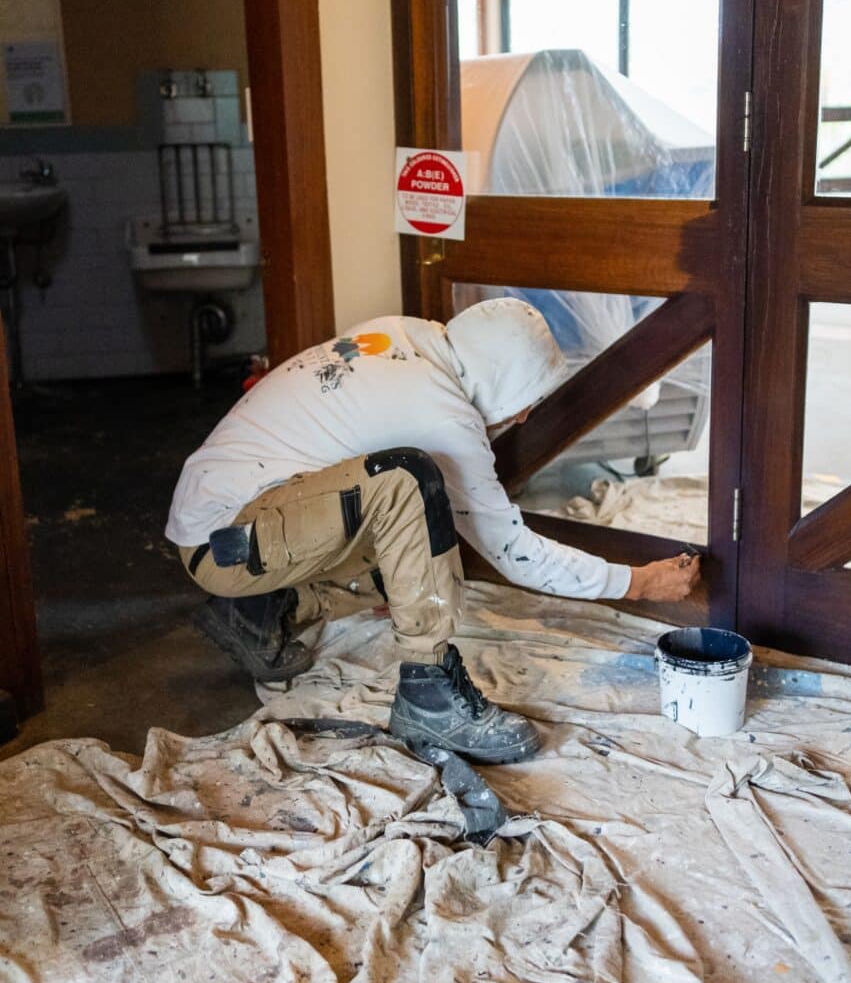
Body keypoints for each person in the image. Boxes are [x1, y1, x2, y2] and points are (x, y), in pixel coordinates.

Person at [166, 299, 699, 764]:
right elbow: (514, 552)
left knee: (423, 543)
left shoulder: (408, 337)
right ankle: (429, 693)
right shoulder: (441, 414)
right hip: (230, 544)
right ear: (502, 379)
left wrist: (409, 583)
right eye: (526, 397)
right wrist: (636, 583)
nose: (524, 415)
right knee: (408, 481)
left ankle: (258, 614)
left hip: (229, 526)